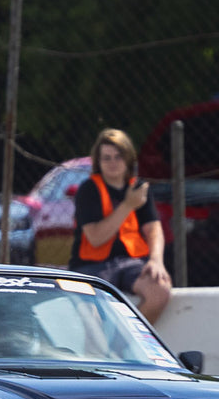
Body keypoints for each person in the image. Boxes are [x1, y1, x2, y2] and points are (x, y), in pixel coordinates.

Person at [68, 128, 172, 320]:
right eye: (106, 158)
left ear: (128, 159)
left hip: (131, 263)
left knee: (160, 290)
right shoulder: (88, 190)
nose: (113, 163)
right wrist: (128, 205)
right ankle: (103, 349)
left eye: (118, 157)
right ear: (98, 162)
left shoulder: (139, 188)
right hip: (91, 267)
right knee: (89, 313)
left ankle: (124, 347)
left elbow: (154, 229)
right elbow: (96, 238)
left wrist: (156, 260)